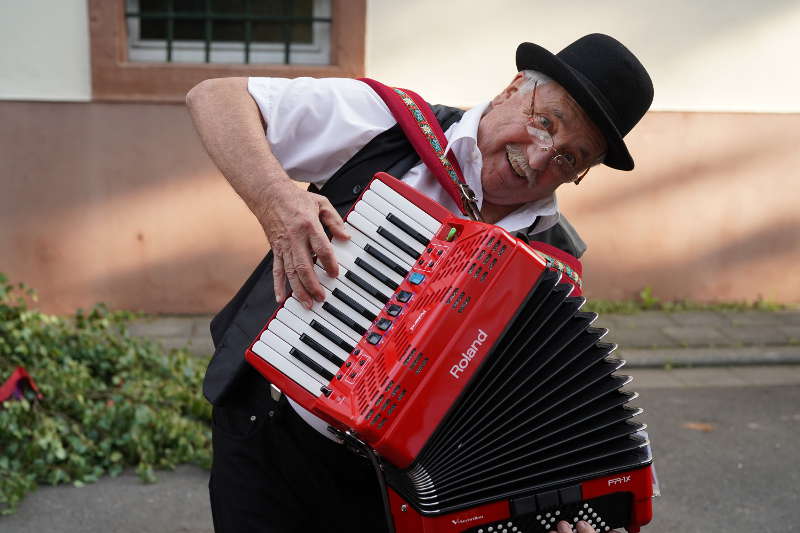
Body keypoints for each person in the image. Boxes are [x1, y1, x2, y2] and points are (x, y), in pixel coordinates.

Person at [187, 34, 652, 533]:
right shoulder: (390, 126)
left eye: (569, 158)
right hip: (269, 435)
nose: (539, 159)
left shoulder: (555, 266)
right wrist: (275, 199)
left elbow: (519, 428)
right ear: (514, 89)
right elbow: (216, 98)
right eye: (544, 124)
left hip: (389, 494)